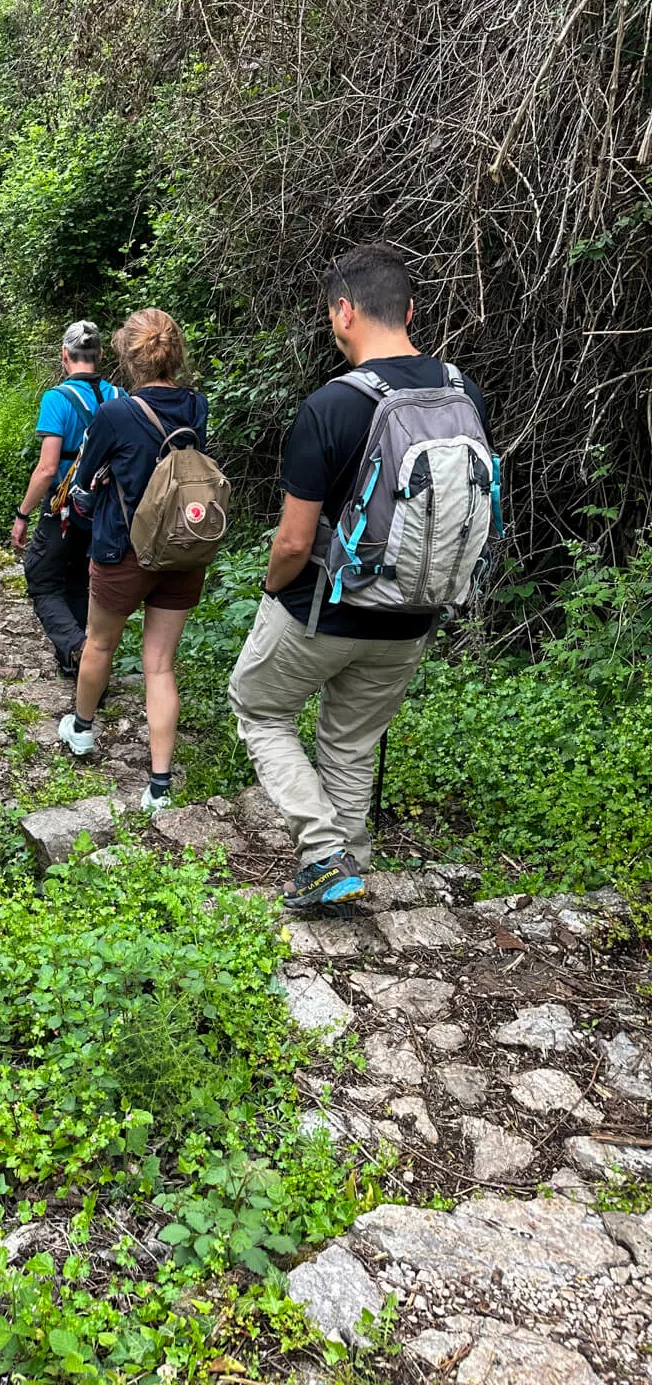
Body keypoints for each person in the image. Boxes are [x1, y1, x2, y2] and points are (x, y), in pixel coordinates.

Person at [228, 244, 491, 910]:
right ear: (408, 310)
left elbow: (292, 540)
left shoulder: (334, 405)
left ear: (343, 312)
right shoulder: (464, 393)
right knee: (350, 741)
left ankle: (321, 853)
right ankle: (346, 875)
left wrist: (270, 590)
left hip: (324, 609)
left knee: (259, 708)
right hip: (415, 613)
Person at [58, 308, 209, 813]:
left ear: (126, 357)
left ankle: (81, 730)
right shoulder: (197, 406)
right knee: (160, 665)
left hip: (122, 550)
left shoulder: (114, 414)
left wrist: (92, 491)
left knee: (100, 642)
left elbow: (82, 486)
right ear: (176, 355)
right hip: (183, 549)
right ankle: (160, 786)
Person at [12, 320, 123, 677]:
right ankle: (75, 665)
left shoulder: (57, 399)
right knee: (79, 580)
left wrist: (22, 513)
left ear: (64, 356)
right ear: (100, 355)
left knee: (41, 579)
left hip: (63, 508)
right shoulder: (121, 397)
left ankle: (79, 651)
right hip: (106, 508)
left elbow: (47, 469)